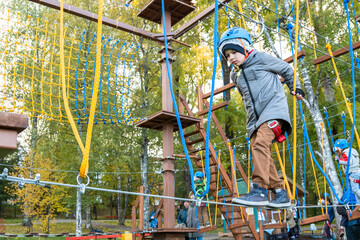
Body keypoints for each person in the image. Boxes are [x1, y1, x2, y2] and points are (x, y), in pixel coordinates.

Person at [218, 27, 305, 208]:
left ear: (245, 47)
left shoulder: (261, 59)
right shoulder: (236, 74)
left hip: (273, 110)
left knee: (260, 145)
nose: (231, 57)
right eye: (227, 55)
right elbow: (246, 99)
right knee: (261, 151)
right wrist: (251, 125)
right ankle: (280, 192)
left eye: (234, 51)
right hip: (255, 119)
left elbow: (287, 69)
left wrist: (296, 87)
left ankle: (259, 190)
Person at [335, 139, 360, 204]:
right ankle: (358, 203)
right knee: (356, 190)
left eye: (337, 150)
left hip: (353, 172)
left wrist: (339, 160)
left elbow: (348, 161)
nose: (337, 152)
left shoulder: (345, 153)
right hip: (357, 171)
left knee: (355, 189)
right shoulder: (352, 151)